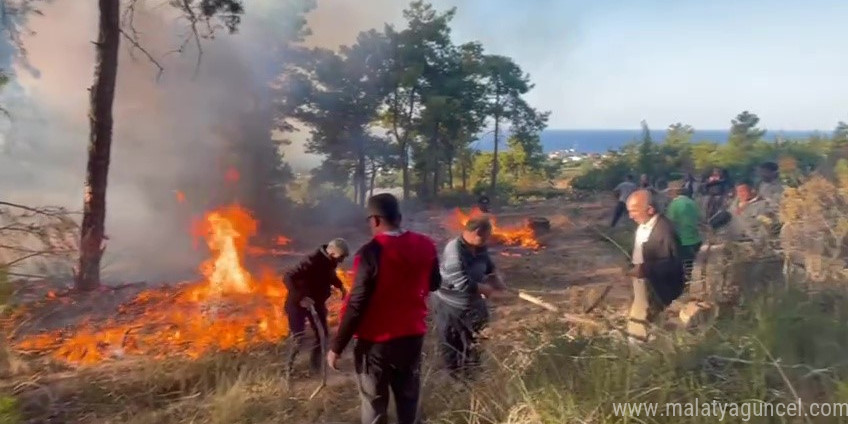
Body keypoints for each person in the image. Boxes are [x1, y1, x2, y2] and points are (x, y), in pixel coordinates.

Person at [328, 193, 440, 424]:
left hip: (375, 344)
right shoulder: (426, 244)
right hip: (412, 337)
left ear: (375, 220)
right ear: (399, 216)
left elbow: (357, 303)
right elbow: (435, 283)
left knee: (375, 403)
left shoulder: (370, 252)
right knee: (408, 399)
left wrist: (337, 346)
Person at [432, 215, 508, 379]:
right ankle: (455, 379)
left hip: (473, 304)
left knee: (476, 340)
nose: (487, 241)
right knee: (453, 344)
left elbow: (488, 267)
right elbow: (463, 284)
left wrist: (497, 280)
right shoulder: (454, 250)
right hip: (450, 305)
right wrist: (489, 291)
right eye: (486, 236)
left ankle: (473, 374)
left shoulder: (480, 246)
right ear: (477, 233)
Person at [625, 190, 685, 342]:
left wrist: (645, 269)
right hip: (643, 284)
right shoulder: (644, 225)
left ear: (650, 209)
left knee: (651, 323)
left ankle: (646, 350)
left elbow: (674, 264)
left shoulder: (664, 231)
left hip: (657, 288)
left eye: (634, 211)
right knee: (639, 319)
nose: (630, 216)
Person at [283, 238, 349, 376]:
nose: (341, 261)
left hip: (316, 303)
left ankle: (315, 368)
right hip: (297, 303)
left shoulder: (329, 262)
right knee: (298, 337)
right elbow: (288, 277)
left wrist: (340, 286)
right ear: (332, 253)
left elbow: (330, 275)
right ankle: (288, 369)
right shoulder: (312, 260)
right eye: (341, 257)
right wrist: (301, 297)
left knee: (322, 334)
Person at [664, 181, 702, 282]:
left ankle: (686, 287)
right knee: (692, 265)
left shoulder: (674, 205)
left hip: (682, 240)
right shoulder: (692, 202)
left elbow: (669, 223)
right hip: (695, 238)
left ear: (674, 192)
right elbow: (700, 218)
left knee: (683, 267)